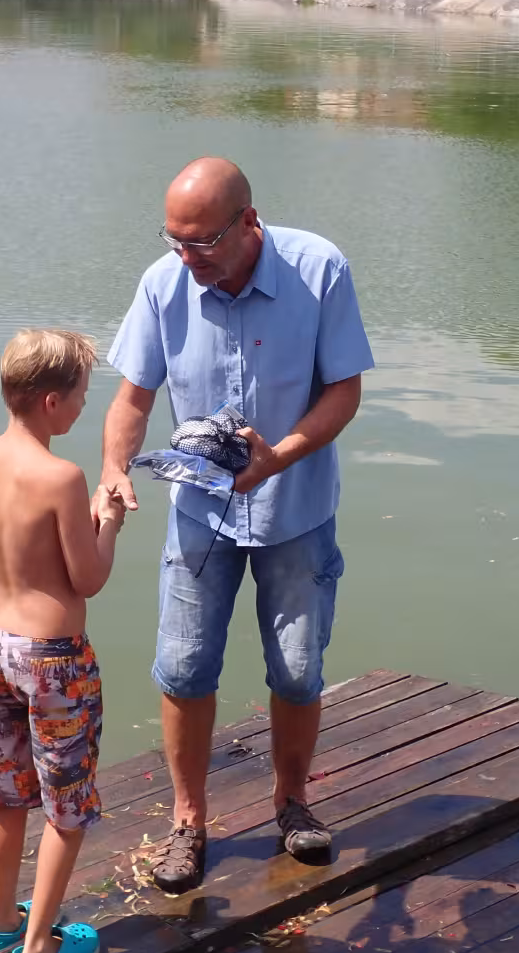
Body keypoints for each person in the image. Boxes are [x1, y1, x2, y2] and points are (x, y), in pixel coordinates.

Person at [94, 158, 374, 895]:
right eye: (174, 240)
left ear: (249, 222)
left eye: (203, 242)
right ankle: (189, 821)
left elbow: (345, 392)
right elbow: (133, 397)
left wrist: (278, 457)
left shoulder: (319, 270)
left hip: (296, 507)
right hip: (199, 514)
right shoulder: (164, 283)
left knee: (297, 669)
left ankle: (293, 803)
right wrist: (114, 466)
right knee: (184, 668)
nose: (187, 257)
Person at [0, 328, 128, 953]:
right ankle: (38, 948)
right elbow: (88, 578)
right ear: (52, 402)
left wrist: (5, 627)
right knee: (66, 807)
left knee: (6, 795)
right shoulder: (62, 478)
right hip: (55, 663)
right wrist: (109, 520)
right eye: (81, 395)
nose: (83, 406)